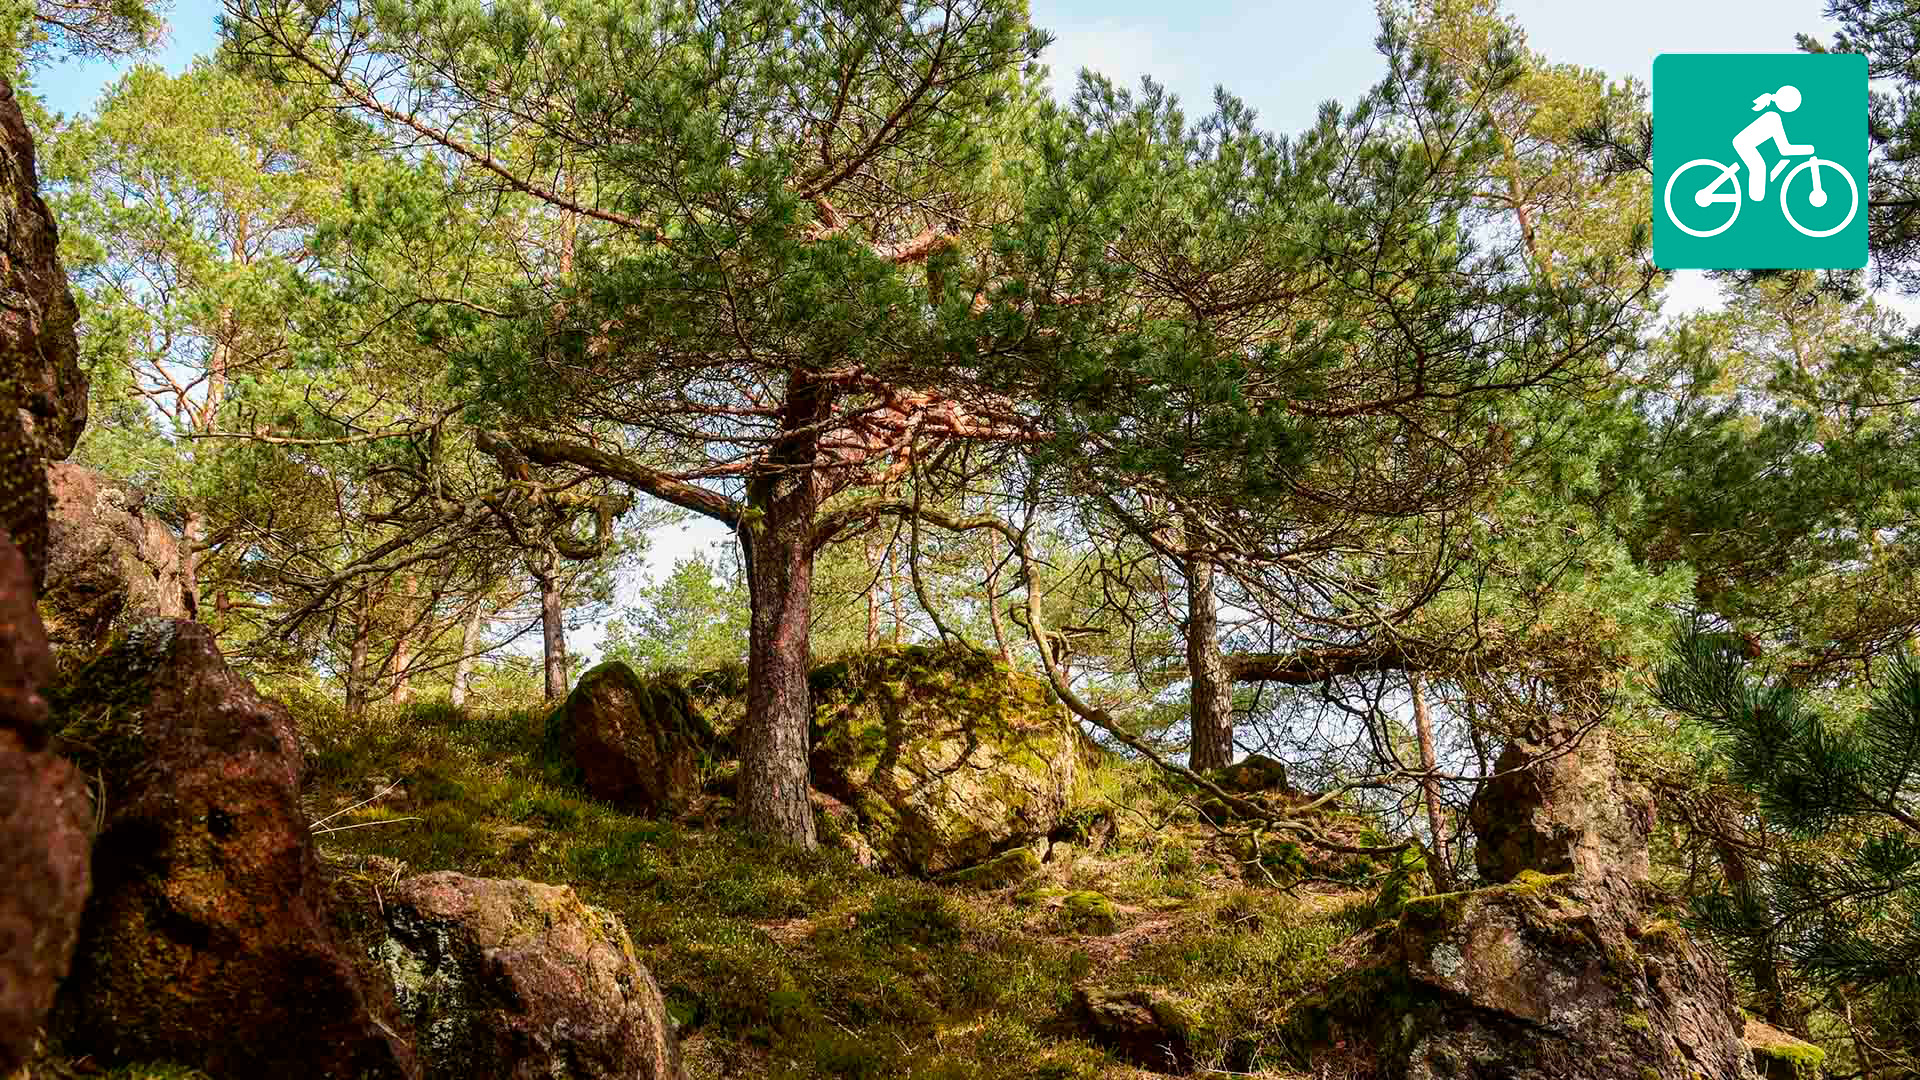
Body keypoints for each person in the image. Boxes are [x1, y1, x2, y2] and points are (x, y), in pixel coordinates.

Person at [1732, 85, 1814, 202]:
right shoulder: (1773, 118)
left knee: (1759, 166)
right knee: (1759, 166)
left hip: (1743, 144)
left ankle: (1755, 199)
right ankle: (1754, 202)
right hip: (1743, 145)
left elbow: (1783, 149)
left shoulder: (1773, 116)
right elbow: (1784, 149)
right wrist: (1809, 149)